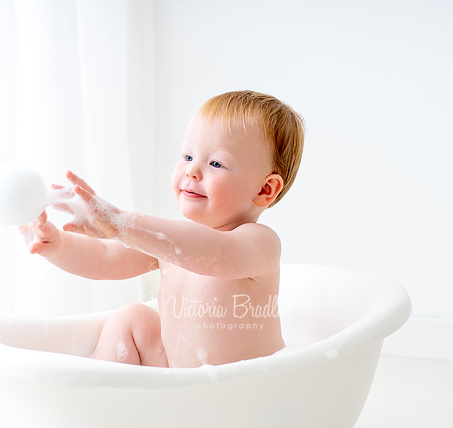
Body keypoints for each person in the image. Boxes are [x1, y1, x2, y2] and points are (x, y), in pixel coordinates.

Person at [22, 90, 305, 368]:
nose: (192, 171)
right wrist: (57, 245)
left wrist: (121, 222)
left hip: (240, 394)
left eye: (216, 163)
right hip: (178, 383)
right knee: (129, 319)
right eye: (187, 156)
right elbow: (105, 258)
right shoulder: (169, 241)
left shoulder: (259, 244)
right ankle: (106, 404)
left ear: (265, 189)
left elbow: (213, 253)